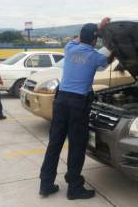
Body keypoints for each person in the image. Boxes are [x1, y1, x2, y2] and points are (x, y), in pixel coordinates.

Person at [39, 18, 114, 200]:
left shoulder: (69, 48)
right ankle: (74, 188)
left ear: (80, 37)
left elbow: (83, 38)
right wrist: (116, 48)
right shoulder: (95, 56)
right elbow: (108, 59)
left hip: (61, 100)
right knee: (77, 145)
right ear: (95, 41)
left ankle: (46, 184)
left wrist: (97, 28)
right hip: (78, 104)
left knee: (54, 143)